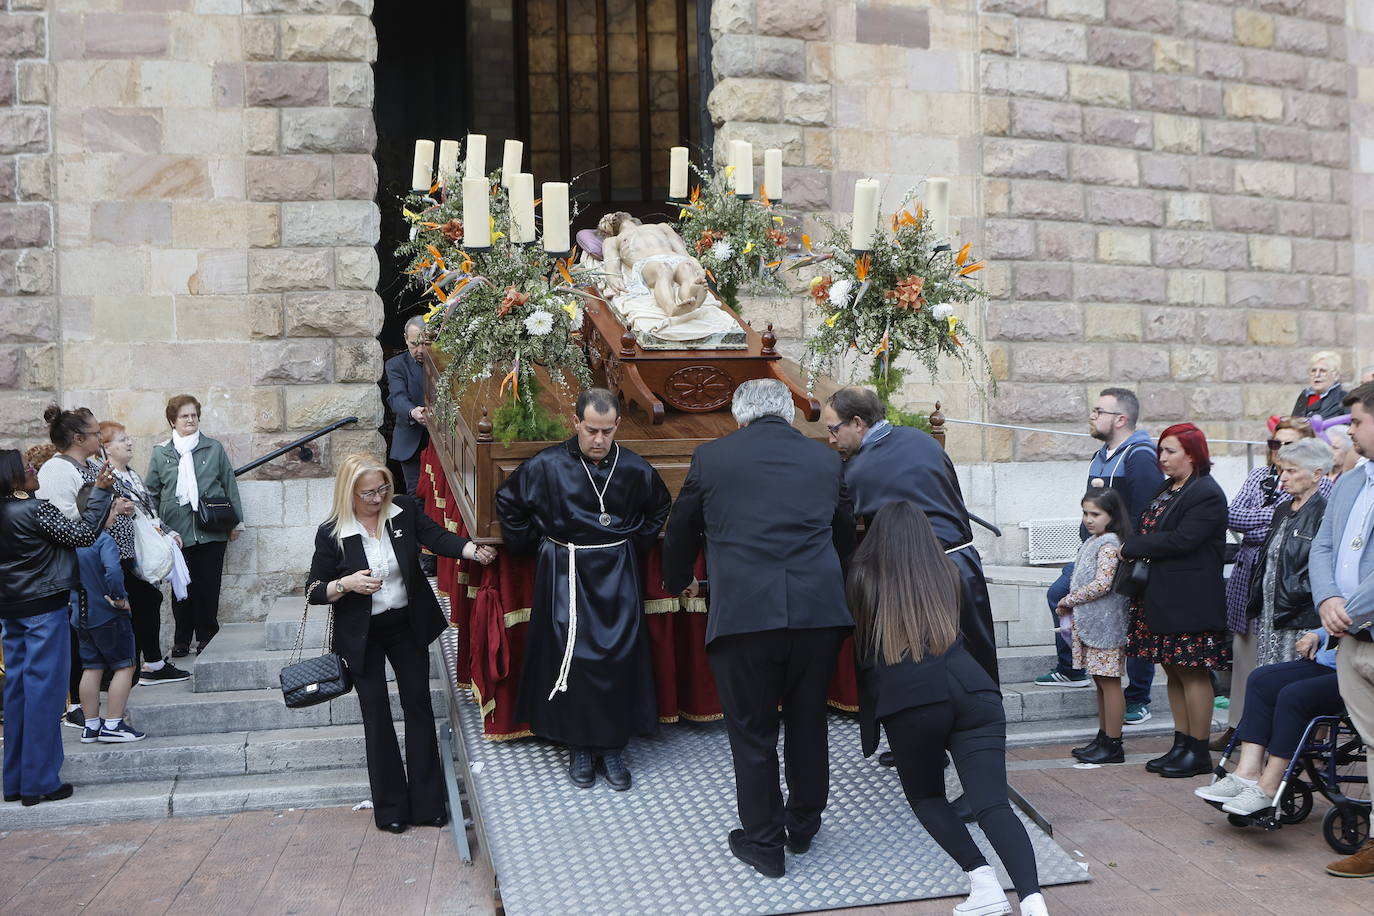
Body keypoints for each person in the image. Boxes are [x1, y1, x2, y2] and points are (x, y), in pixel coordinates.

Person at [663, 379, 855, 879]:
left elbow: (682, 526)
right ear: (789, 414)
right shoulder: (825, 459)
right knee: (809, 720)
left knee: (752, 732)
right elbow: (842, 533)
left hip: (745, 615)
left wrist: (678, 578)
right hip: (817, 614)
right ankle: (805, 823)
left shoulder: (713, 457)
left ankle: (765, 843)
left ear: (740, 416)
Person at [847, 501, 1048, 916]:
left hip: (912, 699)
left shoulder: (863, 577)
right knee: (993, 805)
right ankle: (1033, 903)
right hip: (973, 689)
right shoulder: (947, 572)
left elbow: (863, 649)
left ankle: (983, 882)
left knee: (926, 797)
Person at [306, 454, 496, 833]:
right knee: (376, 718)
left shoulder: (403, 510)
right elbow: (313, 590)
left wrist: (471, 550)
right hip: (362, 635)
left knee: (419, 708)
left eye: (382, 489)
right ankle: (390, 809)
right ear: (349, 493)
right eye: (368, 493)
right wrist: (346, 585)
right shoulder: (332, 532)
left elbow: (436, 537)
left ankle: (428, 805)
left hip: (406, 625)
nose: (377, 499)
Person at [496, 388, 671, 791]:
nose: (599, 440)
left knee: (615, 656)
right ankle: (579, 747)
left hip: (616, 571)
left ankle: (611, 747)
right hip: (566, 569)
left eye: (607, 432)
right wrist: (533, 546)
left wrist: (634, 544)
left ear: (617, 427)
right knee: (572, 658)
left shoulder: (633, 467)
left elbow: (659, 506)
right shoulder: (547, 465)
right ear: (575, 423)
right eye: (591, 430)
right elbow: (509, 503)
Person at [820, 386, 997, 685]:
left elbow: (843, 531)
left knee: (927, 672)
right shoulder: (922, 440)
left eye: (834, 429)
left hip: (920, 579)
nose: (831, 439)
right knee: (976, 665)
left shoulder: (858, 471)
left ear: (858, 423)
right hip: (965, 565)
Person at [1036, 388, 1160, 728]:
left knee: (1131, 623)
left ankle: (1137, 698)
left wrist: (1128, 553)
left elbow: (1147, 511)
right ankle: (1071, 668)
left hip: (1122, 557)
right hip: (1092, 551)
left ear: (1120, 419)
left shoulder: (1139, 456)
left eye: (1099, 411)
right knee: (1057, 595)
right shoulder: (1100, 454)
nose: (1092, 416)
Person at [0, 448, 115, 805]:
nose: (34, 469)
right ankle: (40, 782)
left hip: (11, 612)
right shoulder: (36, 510)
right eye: (26, 467)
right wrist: (100, 492)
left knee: (17, 693)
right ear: (14, 478)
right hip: (43, 612)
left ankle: (16, 781)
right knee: (46, 697)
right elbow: (82, 535)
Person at [1121, 423, 1229, 778]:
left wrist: (1131, 546)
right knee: (1172, 669)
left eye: (1170, 451)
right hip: (1160, 595)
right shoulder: (1169, 488)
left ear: (1193, 454)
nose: (1162, 458)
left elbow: (1183, 540)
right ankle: (1181, 743)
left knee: (1193, 673)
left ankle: (1198, 751)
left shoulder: (1206, 492)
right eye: (1161, 451)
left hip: (1190, 599)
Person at [1218, 417, 1328, 749]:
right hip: (1265, 607)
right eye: (1275, 447)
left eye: (1291, 467)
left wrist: (1257, 523)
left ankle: (1292, 748)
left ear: (1316, 473)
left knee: (1290, 682)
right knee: (1259, 675)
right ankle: (1256, 741)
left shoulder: (1325, 505)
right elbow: (1233, 515)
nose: (1283, 476)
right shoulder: (1279, 504)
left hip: (1299, 613)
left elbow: (1318, 559)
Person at [36, 405, 135, 726]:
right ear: (79, 438)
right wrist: (103, 504)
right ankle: (77, 708)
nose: (99, 438)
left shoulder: (89, 464)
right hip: (80, 572)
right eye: (94, 433)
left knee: (95, 650)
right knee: (83, 645)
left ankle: (92, 713)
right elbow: (62, 521)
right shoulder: (57, 470)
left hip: (104, 561)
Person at [1310, 381, 1374, 877]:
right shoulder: (1351, 480)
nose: (1348, 431)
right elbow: (1323, 547)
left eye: (1355, 421)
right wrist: (1328, 600)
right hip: (1352, 639)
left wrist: (1347, 606)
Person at [1195, 629, 1340, 817]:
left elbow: (1355, 611)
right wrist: (1318, 634)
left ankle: (1268, 788)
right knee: (1260, 680)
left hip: (1361, 668)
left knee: (1293, 696)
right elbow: (1342, 609)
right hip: (1333, 660)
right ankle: (1247, 774)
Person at [144, 394, 243, 656]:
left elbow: (229, 484)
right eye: (184, 416)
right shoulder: (161, 452)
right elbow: (151, 492)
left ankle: (207, 636)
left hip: (212, 530)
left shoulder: (213, 448)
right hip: (176, 533)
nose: (190, 420)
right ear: (172, 421)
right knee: (181, 589)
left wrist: (236, 523)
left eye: (194, 415)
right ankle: (181, 639)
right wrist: (155, 526)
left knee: (208, 586)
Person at [99, 421, 189, 685]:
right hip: (122, 551)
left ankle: (149, 662)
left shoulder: (132, 474)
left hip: (142, 548)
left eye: (127, 438)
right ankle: (141, 664)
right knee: (143, 601)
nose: (129, 442)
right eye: (121, 439)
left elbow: (149, 511)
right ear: (106, 448)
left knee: (148, 601)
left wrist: (168, 531)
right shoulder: (107, 478)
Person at [1060, 489, 1132, 765]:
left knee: (1110, 683)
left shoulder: (1109, 544)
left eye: (1095, 514)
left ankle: (1113, 743)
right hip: (1093, 623)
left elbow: (1102, 584)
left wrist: (1068, 599)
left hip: (1106, 625)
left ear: (1111, 516)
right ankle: (1103, 736)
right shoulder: (1096, 540)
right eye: (1085, 513)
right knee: (1100, 682)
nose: (1088, 519)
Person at [70, 522, 147, 744]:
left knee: (92, 667)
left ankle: (91, 725)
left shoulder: (71, 539)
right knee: (125, 666)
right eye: (112, 509)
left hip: (81, 614)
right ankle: (113, 724)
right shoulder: (103, 539)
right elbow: (113, 571)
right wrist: (120, 598)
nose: (116, 514)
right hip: (106, 613)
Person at [386, 315, 431, 498]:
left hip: (445, 443)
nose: (420, 350)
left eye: (425, 343)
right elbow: (397, 398)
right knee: (416, 496)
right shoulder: (395, 365)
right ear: (405, 339)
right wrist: (413, 412)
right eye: (414, 344)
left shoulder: (447, 362)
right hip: (411, 440)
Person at [1291, 350, 1347, 420]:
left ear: (1336, 375)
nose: (1317, 375)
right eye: (1313, 371)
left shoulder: (1345, 399)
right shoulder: (1304, 396)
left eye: (1323, 371)